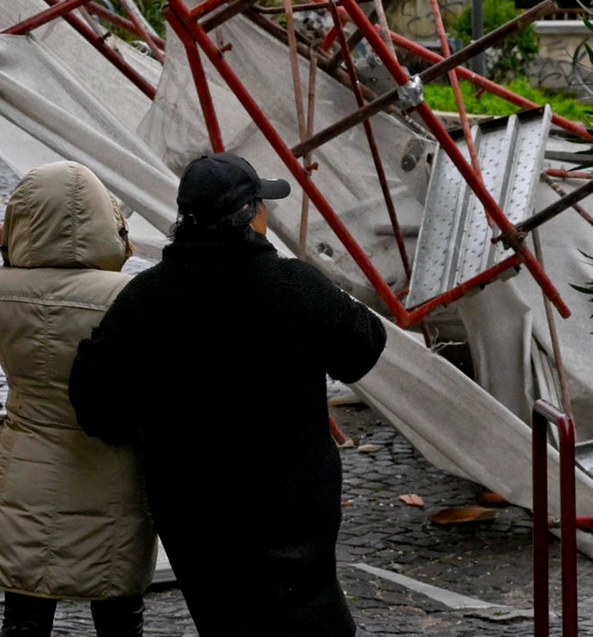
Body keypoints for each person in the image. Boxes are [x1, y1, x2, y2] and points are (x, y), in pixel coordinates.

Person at [69, 152, 387, 636]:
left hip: (194, 508)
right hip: (293, 503)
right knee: (310, 617)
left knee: (225, 619)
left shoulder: (148, 296)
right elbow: (362, 348)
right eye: (262, 204)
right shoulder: (295, 285)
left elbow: (95, 401)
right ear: (248, 215)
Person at [0, 161, 156, 637]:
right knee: (119, 617)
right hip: (112, 472)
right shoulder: (132, 295)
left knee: (25, 617)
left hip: (25, 477)